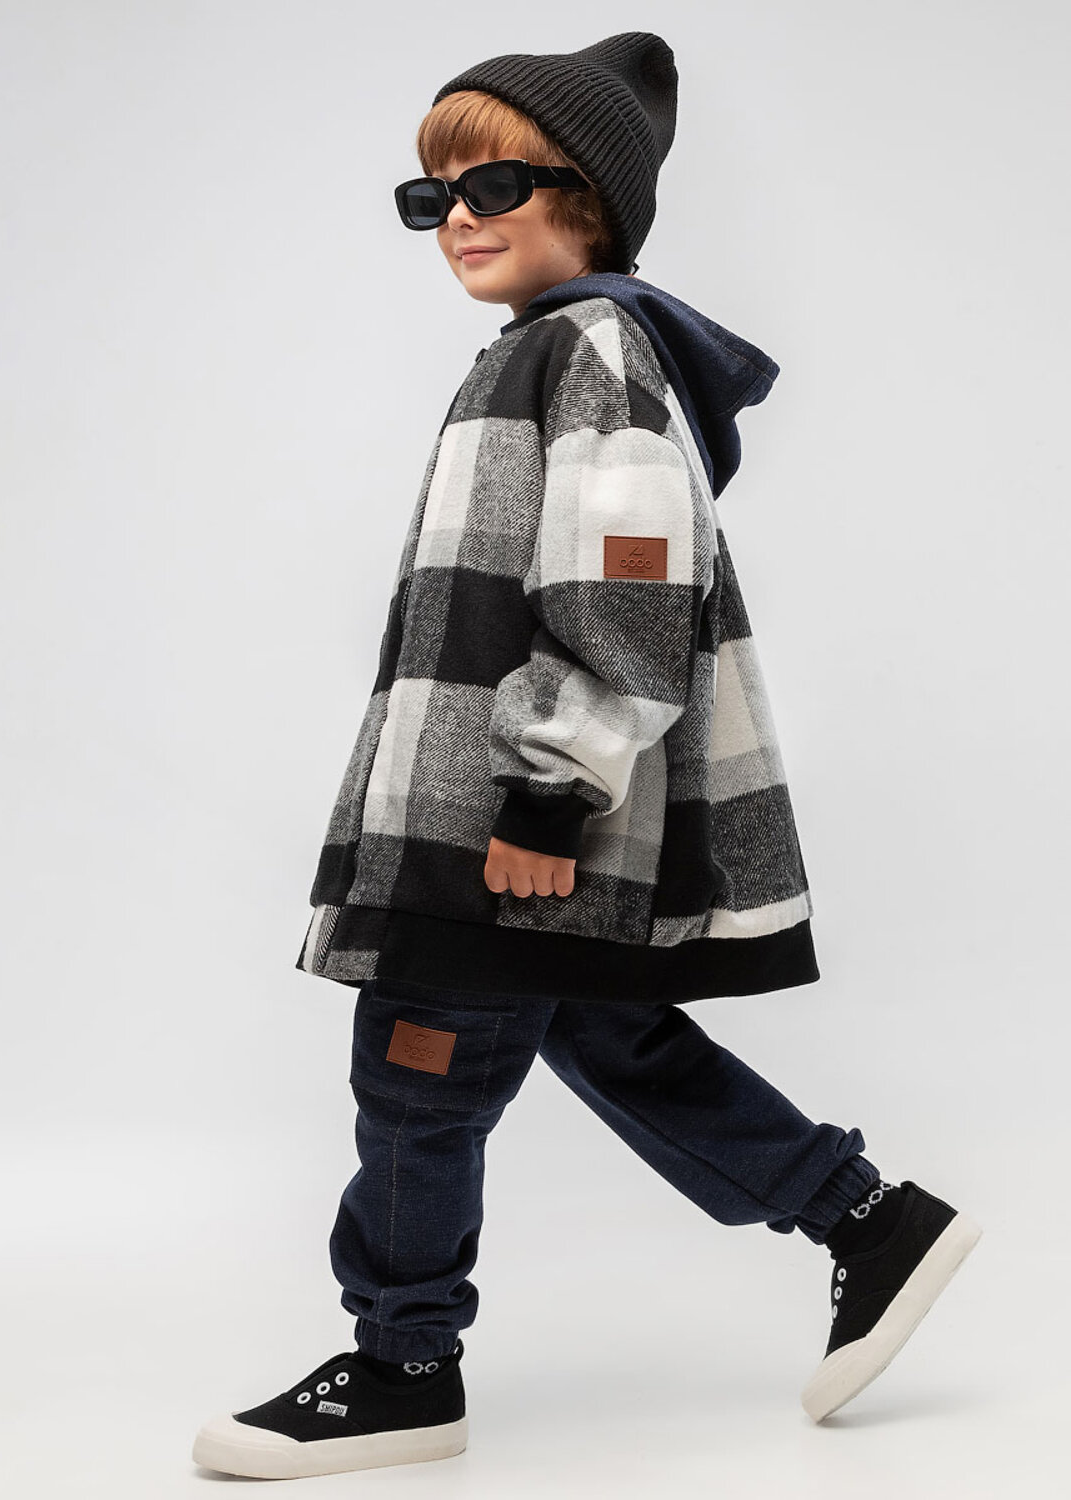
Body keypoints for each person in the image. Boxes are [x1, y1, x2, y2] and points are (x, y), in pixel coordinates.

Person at [192, 32, 981, 1481]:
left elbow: (624, 586)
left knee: (419, 1074)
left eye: (492, 183)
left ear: (591, 200)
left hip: (515, 818)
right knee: (603, 1030)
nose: (459, 218)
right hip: (507, 809)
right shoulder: (545, 349)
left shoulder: (589, 351)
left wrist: (549, 794)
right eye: (432, 197)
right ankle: (867, 1220)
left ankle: (404, 1365)